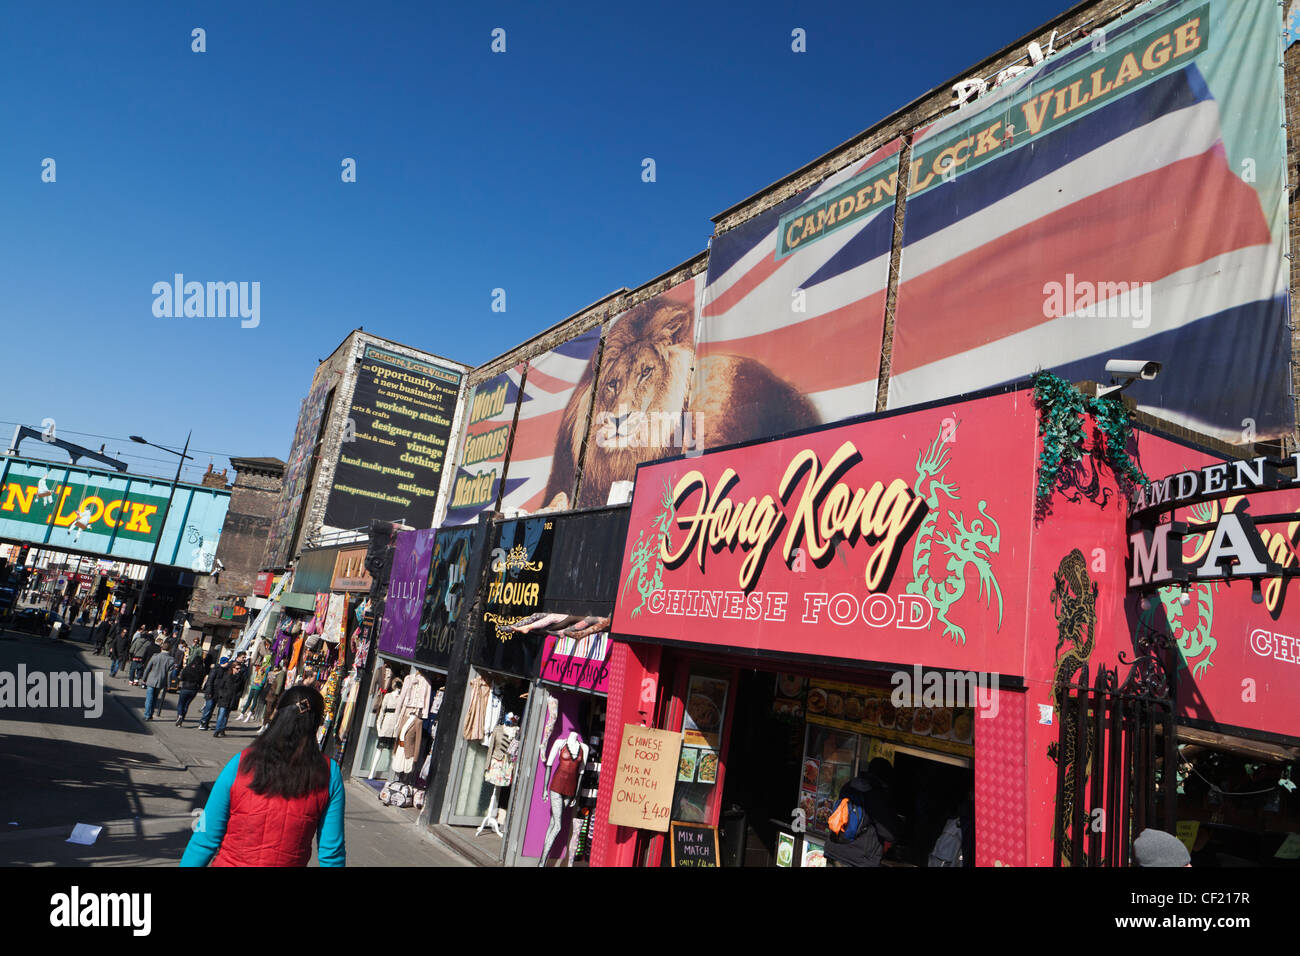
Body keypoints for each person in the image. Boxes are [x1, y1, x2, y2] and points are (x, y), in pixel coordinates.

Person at [180, 685, 346, 867]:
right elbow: (331, 853)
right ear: (316, 724)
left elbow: (205, 837)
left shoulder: (241, 763)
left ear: (278, 713)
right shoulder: (329, 773)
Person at [825, 758, 903, 868]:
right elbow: (889, 833)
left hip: (834, 849)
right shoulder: (876, 795)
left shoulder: (849, 786)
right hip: (857, 860)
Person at [198, 654, 238, 731]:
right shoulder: (215, 669)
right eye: (227, 662)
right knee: (208, 709)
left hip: (219, 693)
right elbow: (210, 681)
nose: (228, 664)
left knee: (211, 710)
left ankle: (206, 724)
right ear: (224, 662)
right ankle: (202, 723)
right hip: (212, 692)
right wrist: (209, 692)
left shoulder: (226, 671)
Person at [212, 657, 249, 738]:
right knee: (221, 714)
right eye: (237, 668)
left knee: (226, 715)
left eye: (239, 669)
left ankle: (222, 729)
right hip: (224, 697)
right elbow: (221, 686)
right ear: (233, 668)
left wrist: (238, 696)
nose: (238, 670)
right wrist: (221, 694)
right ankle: (217, 730)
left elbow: (241, 689)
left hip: (232, 698)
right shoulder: (226, 675)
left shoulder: (240, 678)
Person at [175, 650, 210, 727]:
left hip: (185, 687)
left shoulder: (189, 667)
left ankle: (179, 716)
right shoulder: (202, 669)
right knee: (187, 704)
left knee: (181, 703)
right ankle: (182, 718)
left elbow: (182, 676)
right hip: (194, 688)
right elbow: (202, 679)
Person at [142, 642, 177, 720]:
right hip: (161, 681)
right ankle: (150, 713)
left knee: (149, 698)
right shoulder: (171, 660)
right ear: (169, 649)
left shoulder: (155, 656)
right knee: (155, 698)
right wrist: (168, 685)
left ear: (161, 648)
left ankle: (147, 715)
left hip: (151, 680)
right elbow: (169, 674)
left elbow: (147, 668)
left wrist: (144, 679)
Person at [259, 662, 287, 733]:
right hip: (272, 694)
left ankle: (266, 725)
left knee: (270, 710)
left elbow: (279, 685)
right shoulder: (279, 673)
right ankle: (265, 725)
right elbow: (278, 684)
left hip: (273, 694)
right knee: (269, 710)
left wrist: (276, 694)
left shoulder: (281, 673)